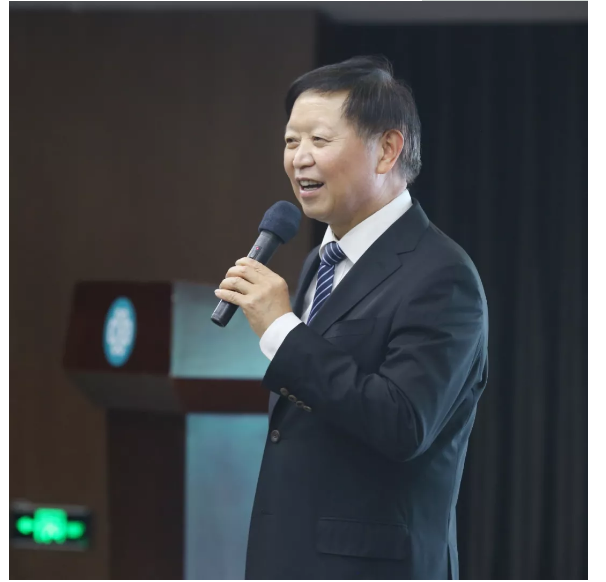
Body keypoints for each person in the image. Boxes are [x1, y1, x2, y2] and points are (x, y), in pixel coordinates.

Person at [214, 55, 488, 580]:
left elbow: (404, 423)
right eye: (291, 141)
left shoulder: (442, 274)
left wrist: (283, 332)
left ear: (387, 149)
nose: (299, 159)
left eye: (319, 140)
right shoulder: (320, 261)